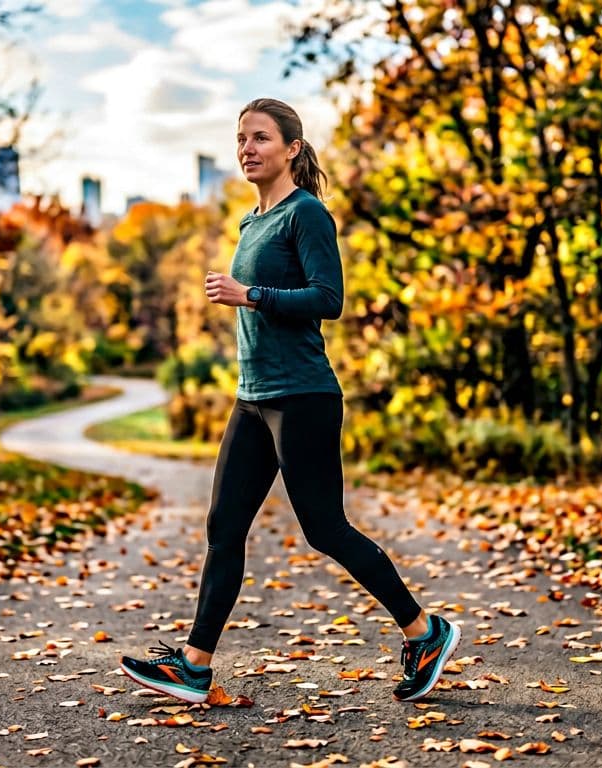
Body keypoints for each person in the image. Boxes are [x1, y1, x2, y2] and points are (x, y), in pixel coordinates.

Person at [120, 98, 459, 704]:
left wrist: (250, 293)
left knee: (325, 528)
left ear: (291, 150)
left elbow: (328, 299)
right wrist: (250, 299)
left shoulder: (307, 215)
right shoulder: (252, 222)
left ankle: (424, 631)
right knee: (224, 526)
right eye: (241, 140)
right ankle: (194, 665)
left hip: (302, 395)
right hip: (251, 398)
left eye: (261, 138)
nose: (247, 149)